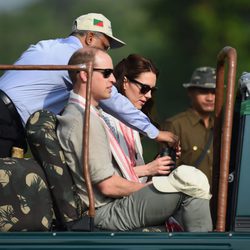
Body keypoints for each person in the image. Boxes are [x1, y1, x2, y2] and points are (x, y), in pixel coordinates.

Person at [57, 47, 212, 232]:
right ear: (84, 75)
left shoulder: (90, 115)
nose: (113, 79)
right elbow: (108, 186)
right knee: (192, 184)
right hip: (106, 211)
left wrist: (154, 182)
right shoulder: (83, 120)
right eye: (106, 74)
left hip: (113, 204)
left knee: (191, 182)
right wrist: (151, 188)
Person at [0, 12, 177, 158]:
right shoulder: (77, 59)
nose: (105, 54)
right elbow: (112, 99)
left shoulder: (44, 45)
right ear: (90, 38)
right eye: (104, 47)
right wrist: (154, 132)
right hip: (6, 121)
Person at [102, 54, 175, 181]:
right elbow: (103, 176)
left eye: (152, 90)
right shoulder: (104, 118)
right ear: (125, 82)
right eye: (144, 88)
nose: (149, 96)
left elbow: (137, 177)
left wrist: (158, 165)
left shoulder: (137, 123)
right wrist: (148, 169)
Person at [162, 67, 216, 185]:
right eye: (203, 91)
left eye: (214, 92)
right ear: (190, 92)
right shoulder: (175, 125)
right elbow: (166, 171)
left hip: (218, 200)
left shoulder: (222, 127)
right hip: (187, 198)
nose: (210, 98)